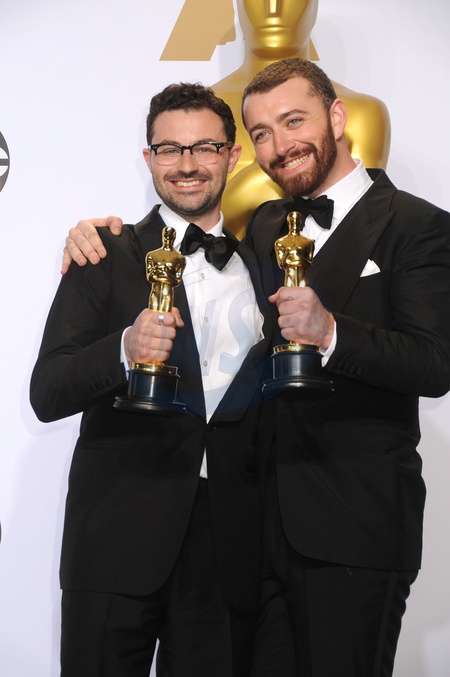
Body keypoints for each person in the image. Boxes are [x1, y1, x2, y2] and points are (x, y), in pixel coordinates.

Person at [61, 58, 450, 677]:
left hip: (352, 529)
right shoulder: (265, 227)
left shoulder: (419, 225)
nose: (280, 145)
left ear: (338, 117)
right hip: (252, 540)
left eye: (294, 121)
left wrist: (331, 333)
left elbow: (434, 365)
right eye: (263, 132)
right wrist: (92, 234)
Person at [30, 83, 273, 677]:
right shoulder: (103, 252)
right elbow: (48, 391)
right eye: (169, 149)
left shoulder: (264, 264)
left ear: (232, 155)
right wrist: (123, 348)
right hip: (116, 537)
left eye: (205, 147)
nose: (187, 164)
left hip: (229, 548)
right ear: (149, 158)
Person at [213, 0, 391, 237]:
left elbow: (360, 224)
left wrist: (245, 191)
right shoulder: (197, 113)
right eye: (262, 134)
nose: (273, 7)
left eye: (294, 121)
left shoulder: (362, 112)